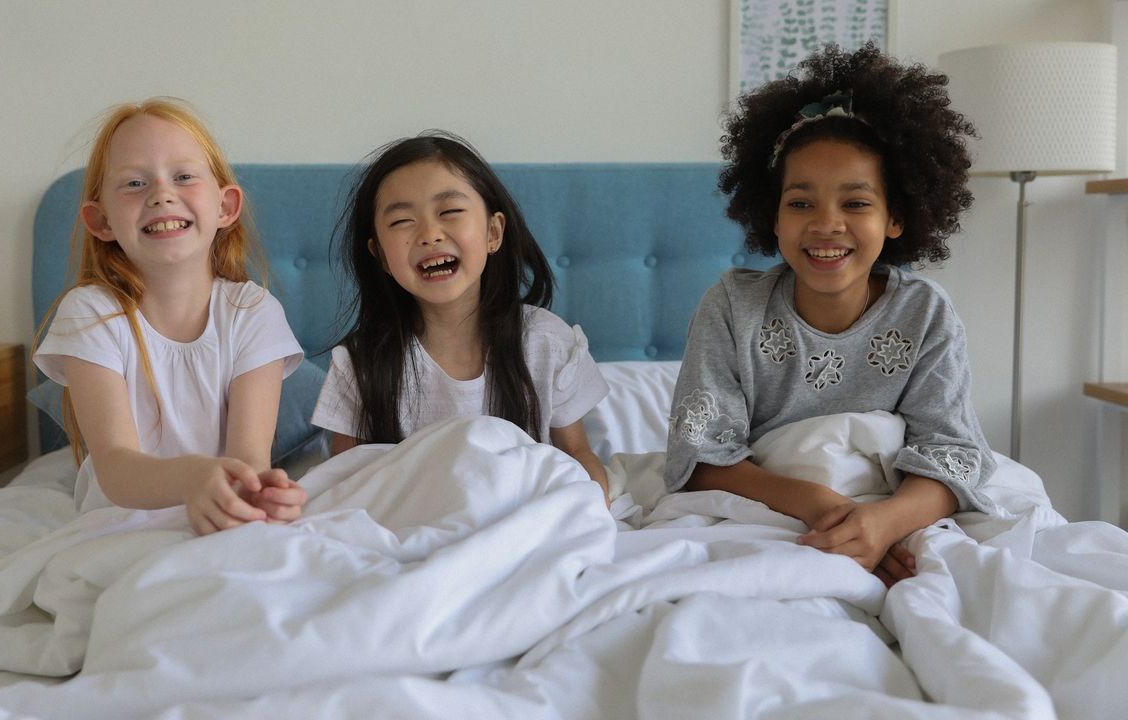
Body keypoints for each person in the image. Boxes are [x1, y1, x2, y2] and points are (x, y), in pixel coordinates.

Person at [664, 43, 998, 586]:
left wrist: (882, 524)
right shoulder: (732, 305)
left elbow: (951, 453)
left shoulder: (925, 313)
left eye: (856, 203)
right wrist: (821, 506)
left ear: (896, 217)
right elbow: (698, 457)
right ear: (771, 215)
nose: (826, 224)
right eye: (800, 203)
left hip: (893, 510)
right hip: (777, 504)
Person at [34, 98, 307, 535]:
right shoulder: (90, 314)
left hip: (219, 517)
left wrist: (260, 493)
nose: (162, 194)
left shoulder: (253, 312)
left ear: (225, 207)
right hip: (119, 526)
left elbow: (248, 460)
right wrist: (193, 478)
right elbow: (117, 469)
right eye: (135, 183)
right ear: (100, 220)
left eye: (183, 177)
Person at [312, 132, 611, 502]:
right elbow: (348, 485)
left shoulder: (545, 341)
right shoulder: (361, 362)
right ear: (380, 256)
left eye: (450, 212)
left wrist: (591, 510)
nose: (430, 234)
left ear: (493, 232)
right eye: (402, 221)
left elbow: (576, 456)